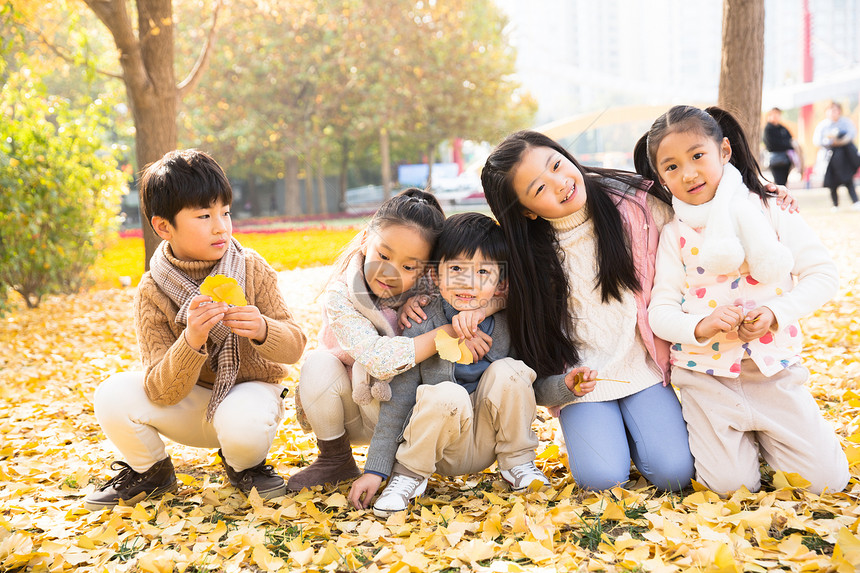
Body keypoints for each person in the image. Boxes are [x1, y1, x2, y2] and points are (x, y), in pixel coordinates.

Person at [639, 105, 849, 496]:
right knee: (727, 487)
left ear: (725, 151)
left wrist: (774, 313)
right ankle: (739, 445)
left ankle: (773, 437)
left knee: (826, 483)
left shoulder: (770, 208)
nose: (687, 173)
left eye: (697, 156)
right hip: (708, 381)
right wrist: (701, 325)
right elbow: (661, 311)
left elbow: (823, 274)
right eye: (671, 167)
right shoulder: (674, 235)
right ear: (660, 177)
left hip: (774, 374)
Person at [84, 150, 308, 510]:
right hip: (190, 403)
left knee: (243, 426)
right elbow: (159, 389)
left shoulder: (250, 268)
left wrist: (263, 329)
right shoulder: (153, 289)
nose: (221, 226)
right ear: (163, 227)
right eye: (204, 215)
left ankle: (243, 466)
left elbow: (295, 348)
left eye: (225, 212)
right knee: (111, 394)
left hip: (249, 394)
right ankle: (151, 471)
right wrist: (191, 340)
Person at [481, 131, 696, 492]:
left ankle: (637, 430)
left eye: (556, 165)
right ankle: (614, 433)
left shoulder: (632, 206)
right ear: (526, 210)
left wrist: (765, 196)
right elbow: (464, 273)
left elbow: (698, 208)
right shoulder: (526, 257)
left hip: (644, 367)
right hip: (582, 382)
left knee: (673, 473)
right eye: (539, 189)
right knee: (601, 479)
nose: (561, 183)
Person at [348, 212, 557, 516]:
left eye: (483, 272)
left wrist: (566, 386)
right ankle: (408, 477)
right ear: (435, 276)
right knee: (447, 392)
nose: (467, 282)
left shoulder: (507, 323)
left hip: (491, 441)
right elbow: (400, 399)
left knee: (510, 371)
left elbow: (531, 387)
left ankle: (520, 466)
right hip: (438, 448)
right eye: (456, 268)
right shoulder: (422, 320)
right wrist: (376, 470)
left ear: (501, 284)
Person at [288, 189, 484, 491]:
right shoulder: (342, 294)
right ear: (367, 239)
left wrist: (447, 315)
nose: (390, 272)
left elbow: (494, 290)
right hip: (358, 405)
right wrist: (445, 334)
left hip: (410, 411)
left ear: (426, 269)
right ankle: (335, 458)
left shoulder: (431, 290)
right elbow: (378, 358)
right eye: (383, 255)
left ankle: (407, 462)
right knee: (318, 364)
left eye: (408, 267)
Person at [813, 102, 860, 210]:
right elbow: (817, 141)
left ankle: (855, 201)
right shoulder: (823, 125)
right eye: (831, 110)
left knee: (848, 179)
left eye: (836, 110)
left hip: (845, 156)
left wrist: (840, 140)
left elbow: (852, 134)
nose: (834, 112)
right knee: (832, 181)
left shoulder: (846, 122)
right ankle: (835, 204)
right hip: (830, 156)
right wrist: (830, 141)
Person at [762, 107, 798, 186]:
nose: (776, 116)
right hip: (775, 160)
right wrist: (785, 145)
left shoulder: (783, 128)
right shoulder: (768, 129)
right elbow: (771, 144)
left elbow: (790, 140)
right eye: (774, 114)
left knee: (784, 182)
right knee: (779, 182)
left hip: (786, 159)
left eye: (778, 114)